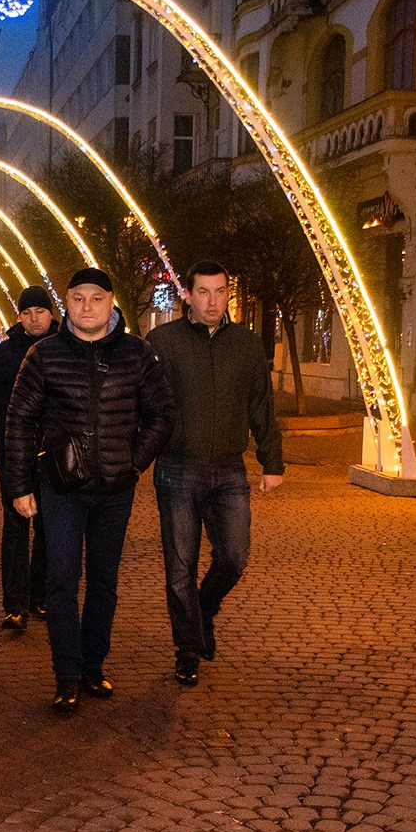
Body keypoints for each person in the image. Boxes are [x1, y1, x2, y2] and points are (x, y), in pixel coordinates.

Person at [4, 268, 174, 713]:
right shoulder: (44, 355)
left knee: (103, 580)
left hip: (115, 488)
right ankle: (67, 673)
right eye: (78, 298)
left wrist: (134, 462)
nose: (86, 307)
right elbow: (20, 421)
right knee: (61, 580)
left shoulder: (136, 354)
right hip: (62, 487)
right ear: (67, 302)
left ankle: (93, 664)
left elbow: (162, 414)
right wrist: (20, 485)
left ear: (110, 302)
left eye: (96, 298)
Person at [146, 260, 284, 687]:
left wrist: (272, 461)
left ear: (228, 294)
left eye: (220, 291)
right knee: (180, 566)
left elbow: (261, 404)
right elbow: (144, 403)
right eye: (203, 292)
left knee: (234, 557)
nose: (212, 301)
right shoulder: (162, 342)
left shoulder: (246, 344)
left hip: (228, 469)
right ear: (187, 295)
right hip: (177, 468)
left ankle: (204, 608)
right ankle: (188, 648)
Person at [0, 286, 58, 633]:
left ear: (51, 314)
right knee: (15, 528)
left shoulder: (65, 349)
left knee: (50, 529)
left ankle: (40, 595)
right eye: (27, 313)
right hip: (13, 452)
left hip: (55, 455)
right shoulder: (4, 354)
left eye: (40, 311)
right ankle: (15, 604)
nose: (34, 319)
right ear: (19, 317)